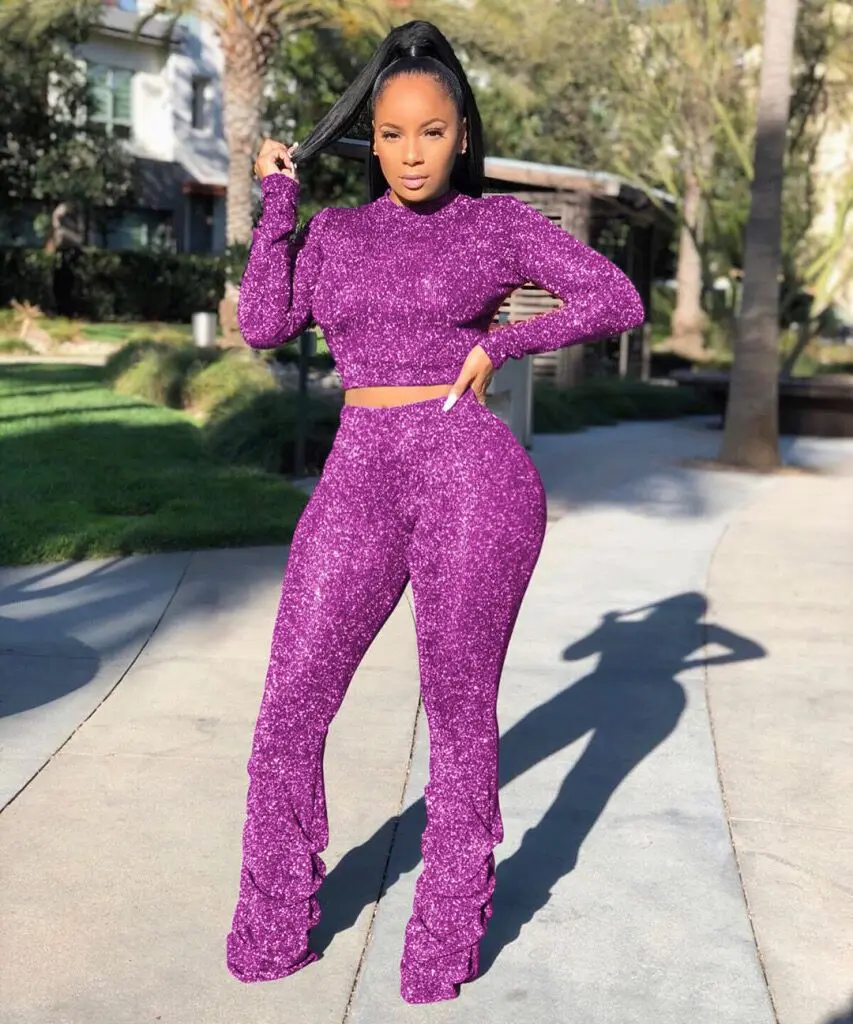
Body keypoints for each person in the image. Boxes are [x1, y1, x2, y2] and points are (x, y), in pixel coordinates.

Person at [225, 18, 646, 1005]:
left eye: (430, 131)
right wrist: (278, 200)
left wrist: (500, 345)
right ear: (369, 141)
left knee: (457, 716)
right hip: (357, 475)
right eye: (391, 133)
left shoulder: (495, 225)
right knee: (288, 706)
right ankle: (272, 922)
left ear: (460, 135)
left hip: (470, 479)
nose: (411, 152)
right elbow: (261, 321)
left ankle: (442, 944)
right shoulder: (335, 233)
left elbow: (615, 297)